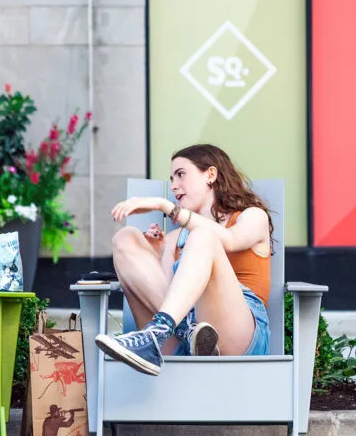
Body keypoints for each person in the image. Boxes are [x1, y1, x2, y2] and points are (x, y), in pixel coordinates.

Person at [96, 143, 272, 376]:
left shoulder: (252, 217)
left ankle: (160, 332)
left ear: (210, 175)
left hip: (239, 336)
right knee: (125, 237)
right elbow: (165, 293)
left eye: (181, 175)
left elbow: (228, 240)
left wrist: (164, 206)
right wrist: (158, 257)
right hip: (189, 337)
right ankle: (177, 333)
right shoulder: (175, 238)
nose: (173, 186)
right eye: (171, 179)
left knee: (203, 236)